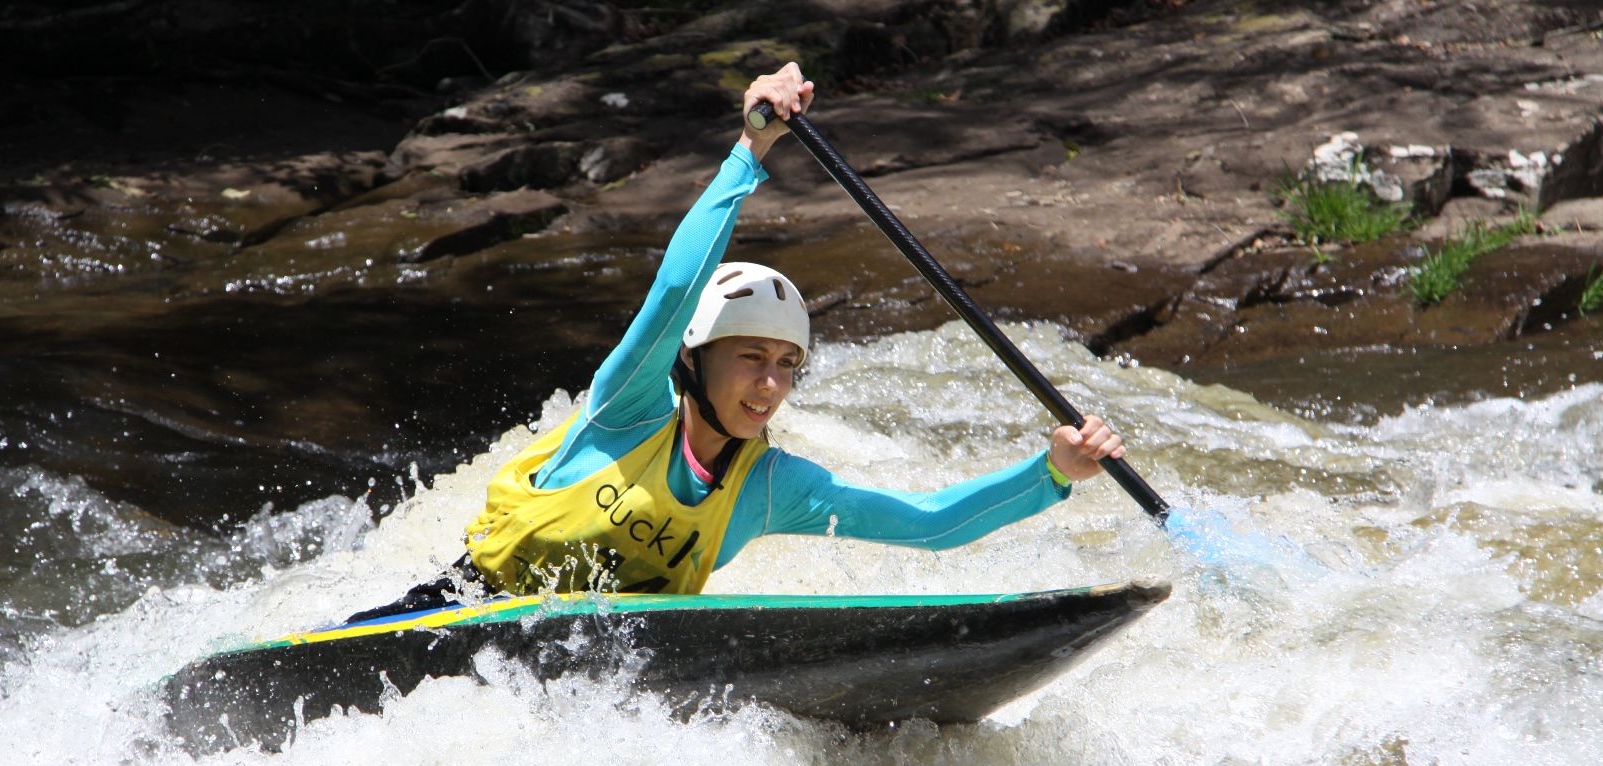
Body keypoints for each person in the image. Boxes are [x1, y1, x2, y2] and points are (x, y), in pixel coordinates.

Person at [354, 64, 1125, 619]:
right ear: (692, 361)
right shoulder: (628, 407)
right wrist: (749, 148)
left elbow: (926, 523)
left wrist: (1050, 472)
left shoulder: (769, 489)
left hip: (615, 666)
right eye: (751, 358)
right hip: (461, 609)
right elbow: (674, 290)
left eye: (787, 366)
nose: (771, 385)